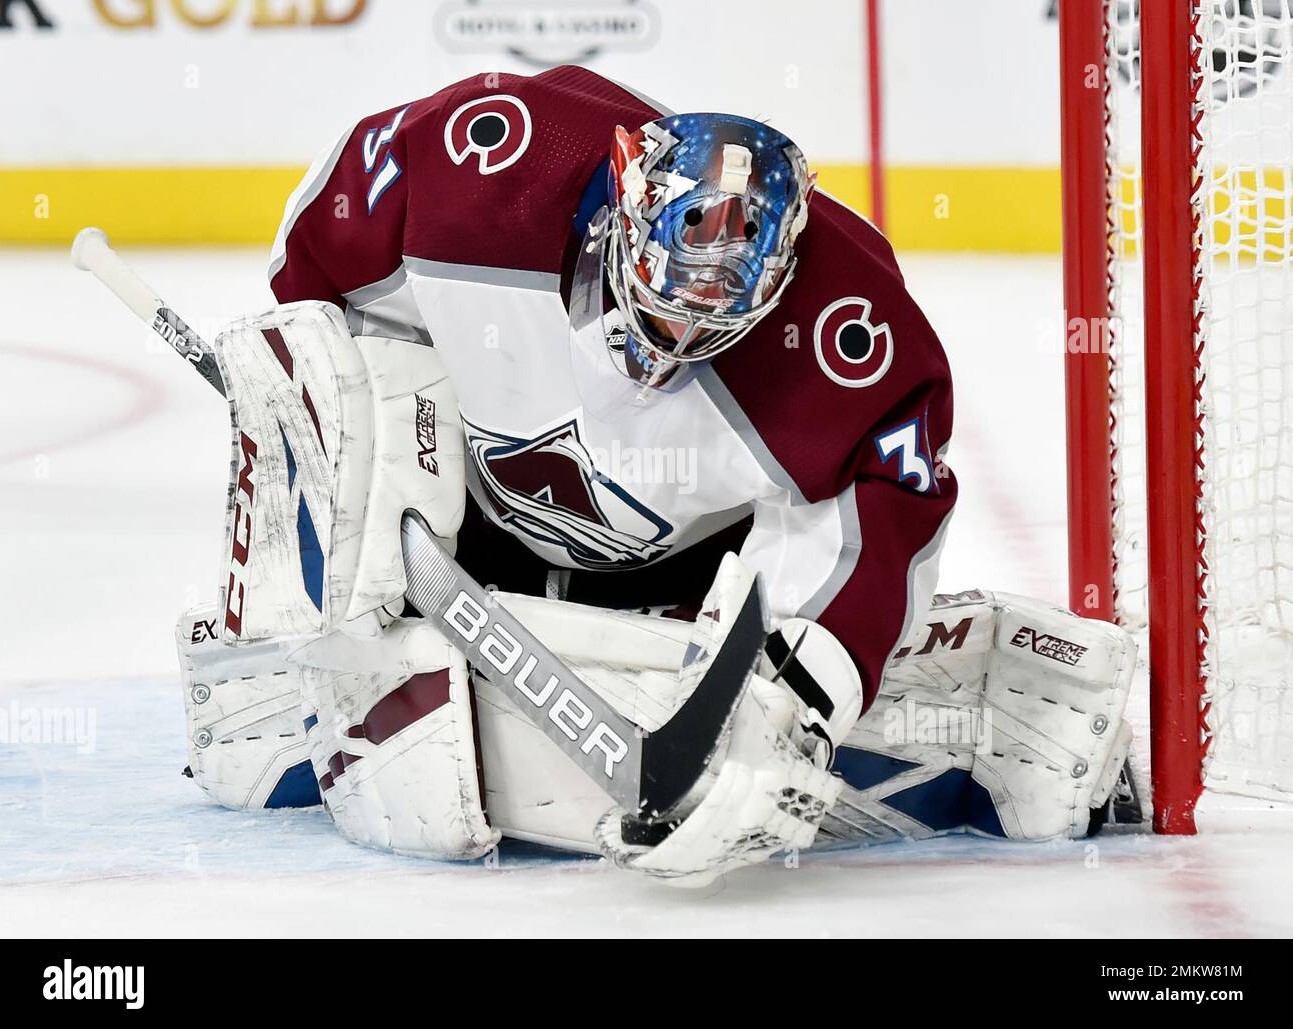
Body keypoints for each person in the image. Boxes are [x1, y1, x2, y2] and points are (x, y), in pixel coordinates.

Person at [177, 67, 1137, 886]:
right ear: (624, 199)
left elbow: (885, 504)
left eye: (715, 319)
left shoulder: (844, 321)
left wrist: (792, 696)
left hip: (681, 581)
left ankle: (980, 705)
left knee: (748, 752)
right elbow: (321, 257)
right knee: (290, 731)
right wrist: (318, 426)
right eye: (661, 305)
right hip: (462, 523)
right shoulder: (492, 163)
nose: (671, 343)